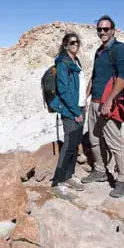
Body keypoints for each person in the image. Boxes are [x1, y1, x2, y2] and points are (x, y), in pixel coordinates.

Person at [82, 15, 124, 198]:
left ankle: (122, 180)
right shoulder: (99, 51)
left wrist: (109, 100)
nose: (102, 32)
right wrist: (84, 99)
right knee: (95, 140)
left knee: (114, 142)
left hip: (107, 104)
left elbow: (122, 78)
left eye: (105, 29)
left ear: (113, 30)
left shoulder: (119, 50)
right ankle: (100, 171)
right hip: (94, 103)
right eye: (99, 29)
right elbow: (94, 78)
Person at [48, 32, 87, 198]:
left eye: (77, 42)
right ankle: (57, 182)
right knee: (69, 144)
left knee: (75, 144)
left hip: (80, 107)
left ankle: (69, 176)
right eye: (71, 43)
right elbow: (63, 91)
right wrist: (75, 111)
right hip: (72, 110)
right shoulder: (63, 64)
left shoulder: (75, 62)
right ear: (65, 45)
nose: (75, 45)